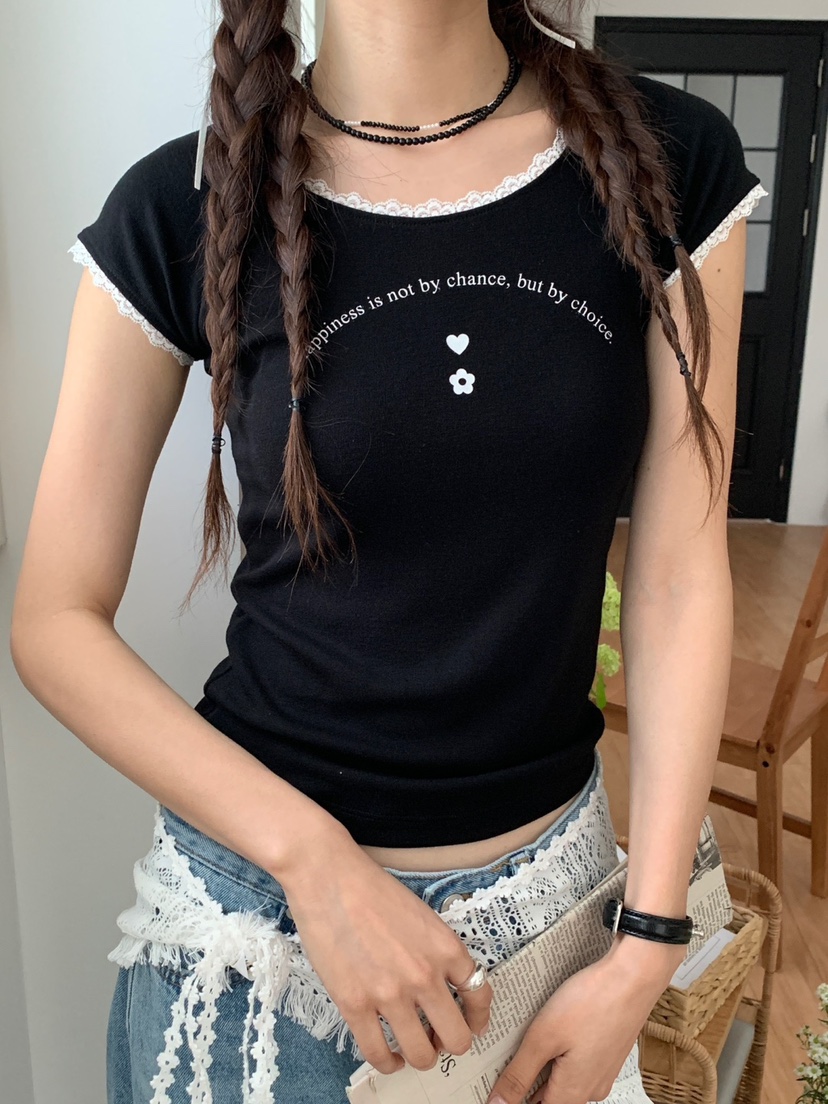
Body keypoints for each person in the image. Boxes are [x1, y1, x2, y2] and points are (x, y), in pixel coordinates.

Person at [10, 1, 766, 1102]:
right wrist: (313, 863)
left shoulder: (662, 161)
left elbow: (680, 578)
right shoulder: (182, 202)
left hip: (550, 935)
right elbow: (53, 621)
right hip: (259, 948)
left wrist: (648, 941)